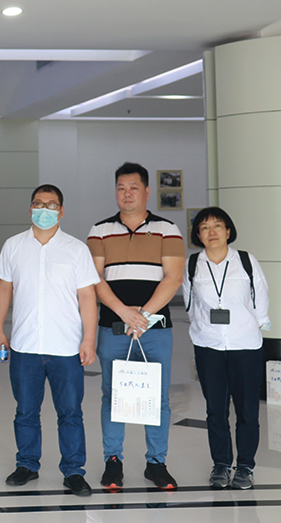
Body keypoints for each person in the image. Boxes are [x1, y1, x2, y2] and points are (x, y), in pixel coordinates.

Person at [0, 184, 99, 497]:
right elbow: (3, 289)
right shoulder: (13, 246)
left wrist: (89, 338)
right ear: (30, 209)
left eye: (51, 205)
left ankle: (74, 470)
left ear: (61, 211)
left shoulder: (76, 249)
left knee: (70, 413)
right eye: (39, 204)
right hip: (25, 346)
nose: (44, 210)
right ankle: (27, 464)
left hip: (66, 347)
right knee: (25, 411)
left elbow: (87, 296)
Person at [87, 162, 184, 491]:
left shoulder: (168, 229)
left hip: (156, 330)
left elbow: (173, 278)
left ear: (146, 191)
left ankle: (156, 463)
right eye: (121, 188)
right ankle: (113, 461)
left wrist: (142, 315)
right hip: (112, 329)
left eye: (133, 188)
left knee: (157, 398)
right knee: (112, 396)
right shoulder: (99, 230)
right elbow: (94, 279)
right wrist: (124, 313)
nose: (126, 194)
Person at [183, 207, 270, 490]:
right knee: (215, 410)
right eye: (204, 227)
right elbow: (190, 305)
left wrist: (251, 325)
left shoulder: (245, 261)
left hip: (245, 344)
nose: (212, 232)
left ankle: (245, 466)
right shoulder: (193, 264)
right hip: (209, 345)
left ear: (228, 231)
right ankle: (221, 464)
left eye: (217, 226)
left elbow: (261, 298)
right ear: (198, 235)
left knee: (247, 410)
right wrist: (204, 329)